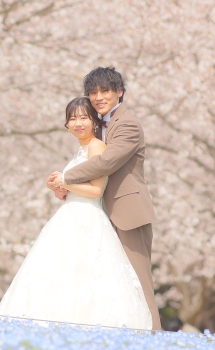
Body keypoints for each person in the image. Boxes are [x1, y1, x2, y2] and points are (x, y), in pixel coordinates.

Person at [0, 96, 152, 329]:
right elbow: (76, 187)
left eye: (84, 118)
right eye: (72, 118)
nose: (78, 123)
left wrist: (64, 182)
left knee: (83, 276)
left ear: (94, 121)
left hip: (87, 219)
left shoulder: (97, 146)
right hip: (70, 217)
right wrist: (58, 187)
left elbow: (96, 191)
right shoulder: (82, 149)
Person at [47, 67, 160, 330]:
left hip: (128, 212)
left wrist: (67, 177)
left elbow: (107, 161)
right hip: (100, 214)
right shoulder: (98, 128)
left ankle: (156, 337)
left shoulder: (127, 123)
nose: (99, 96)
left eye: (105, 90)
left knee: (138, 280)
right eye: (93, 92)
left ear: (119, 92)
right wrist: (60, 184)